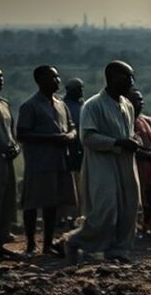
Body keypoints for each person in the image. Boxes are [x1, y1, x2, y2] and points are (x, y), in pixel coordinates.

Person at [65, 61, 143, 263]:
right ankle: (75, 241)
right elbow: (88, 138)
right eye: (127, 78)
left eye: (132, 77)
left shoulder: (127, 105)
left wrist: (134, 140)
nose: (131, 82)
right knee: (105, 210)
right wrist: (117, 142)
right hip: (102, 165)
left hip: (126, 164)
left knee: (128, 208)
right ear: (112, 78)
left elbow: (130, 133)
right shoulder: (93, 105)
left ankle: (118, 251)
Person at [17, 65, 77, 256]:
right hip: (39, 162)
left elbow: (72, 127)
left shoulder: (61, 104)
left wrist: (70, 136)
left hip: (59, 161)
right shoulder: (30, 106)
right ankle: (30, 243)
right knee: (33, 204)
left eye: (58, 77)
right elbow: (22, 133)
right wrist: (51, 138)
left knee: (52, 204)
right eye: (53, 77)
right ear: (40, 80)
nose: (57, 81)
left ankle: (48, 244)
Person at [126, 89, 151, 237]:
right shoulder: (126, 122)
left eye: (141, 100)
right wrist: (147, 154)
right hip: (136, 168)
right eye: (137, 100)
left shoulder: (146, 121)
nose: (141, 103)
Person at [0, 65, 21, 259]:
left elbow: (12, 133)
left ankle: (0, 243)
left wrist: (15, 147)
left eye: (1, 77)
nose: (0, 80)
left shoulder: (4, 104)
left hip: (7, 161)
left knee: (6, 201)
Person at [63, 78, 86, 218]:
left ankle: (80, 215)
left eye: (82, 88)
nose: (81, 91)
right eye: (77, 88)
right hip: (69, 150)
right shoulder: (64, 106)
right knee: (70, 186)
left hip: (83, 150)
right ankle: (68, 217)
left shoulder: (83, 105)